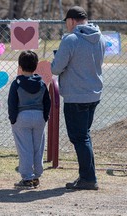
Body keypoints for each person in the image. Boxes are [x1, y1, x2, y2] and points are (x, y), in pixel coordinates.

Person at [51, 6, 106, 190]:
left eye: (66, 22)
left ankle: (88, 178)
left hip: (76, 96)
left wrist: (56, 58)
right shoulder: (100, 38)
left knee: (79, 137)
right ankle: (87, 176)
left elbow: (56, 68)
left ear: (72, 21)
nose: (66, 25)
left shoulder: (71, 40)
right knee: (84, 136)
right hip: (94, 93)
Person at [8, 50, 51, 189]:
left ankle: (27, 178)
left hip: (22, 117)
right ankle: (37, 176)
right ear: (36, 65)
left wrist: (13, 119)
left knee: (24, 148)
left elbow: (12, 103)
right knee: (38, 147)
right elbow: (47, 102)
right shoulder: (42, 83)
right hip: (39, 116)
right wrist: (45, 116)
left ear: (20, 66)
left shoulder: (17, 83)